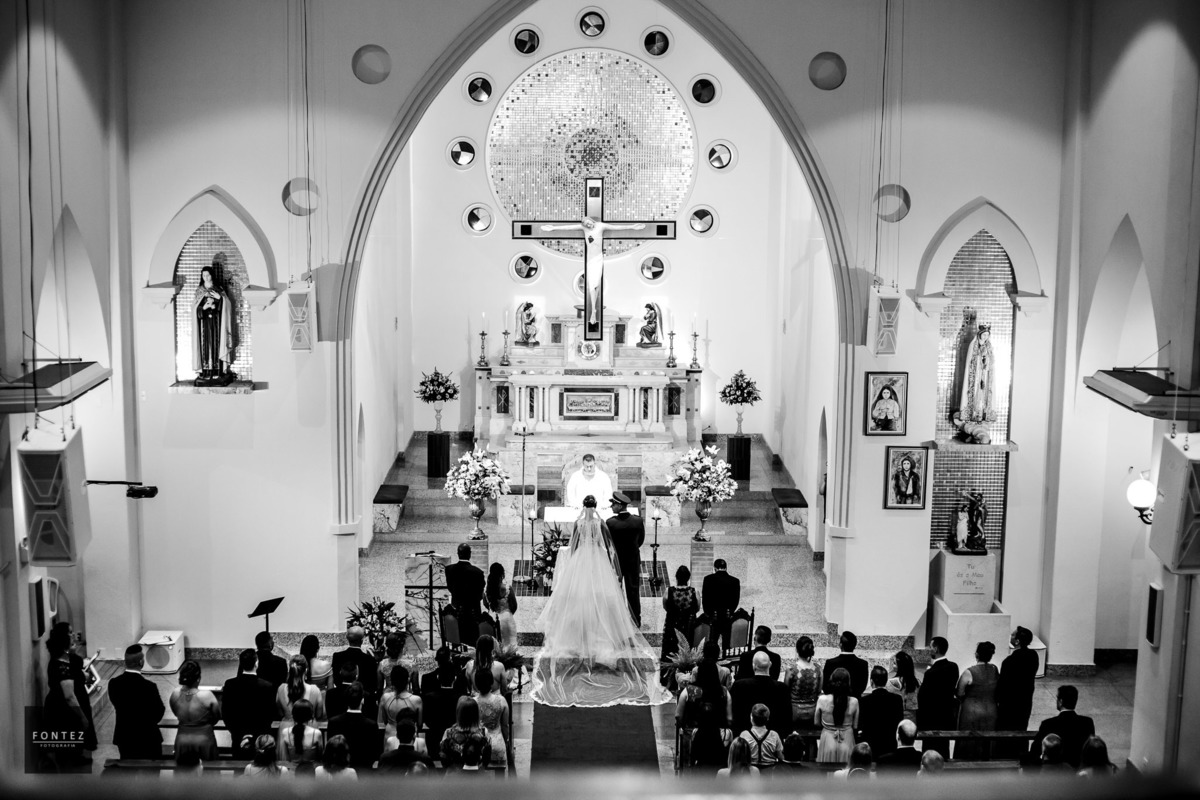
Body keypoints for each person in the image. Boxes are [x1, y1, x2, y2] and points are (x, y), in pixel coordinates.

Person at [530, 494, 669, 706]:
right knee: (602, 595)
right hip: (598, 558)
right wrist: (607, 559)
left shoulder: (578, 523)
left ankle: (580, 631)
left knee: (580, 594)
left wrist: (575, 561)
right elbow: (608, 544)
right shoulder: (603, 523)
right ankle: (609, 627)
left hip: (581, 559)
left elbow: (573, 546)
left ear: (583, 506)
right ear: (595, 506)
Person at [539, 217, 646, 327]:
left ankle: (594, 311)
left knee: (596, 284)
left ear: (592, 221)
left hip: (598, 258)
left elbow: (616, 227)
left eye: (589, 223)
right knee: (591, 285)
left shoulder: (601, 226)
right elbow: (568, 227)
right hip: (590, 259)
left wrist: (632, 226)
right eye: (586, 225)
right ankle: (593, 311)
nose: (588, 226)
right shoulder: (584, 229)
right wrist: (553, 228)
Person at [44, 623, 97, 757]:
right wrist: (82, 717)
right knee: (69, 749)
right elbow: (69, 696)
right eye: (70, 633)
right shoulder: (61, 666)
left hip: (73, 703)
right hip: (65, 710)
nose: (73, 635)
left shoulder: (68, 660)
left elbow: (76, 673)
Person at [107, 643, 165, 761]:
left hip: (125, 737)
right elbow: (159, 712)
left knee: (128, 768)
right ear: (141, 662)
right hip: (148, 737)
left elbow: (116, 703)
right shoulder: (149, 687)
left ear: (125, 662)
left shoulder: (114, 684)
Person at [676, 658, 733, 773]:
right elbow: (729, 718)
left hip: (693, 732)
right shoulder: (723, 691)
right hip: (718, 734)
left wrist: (683, 726)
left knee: (690, 766)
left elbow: (678, 715)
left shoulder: (690, 690)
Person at [221, 649, 276, 757]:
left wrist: (240, 734)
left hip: (238, 737)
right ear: (256, 664)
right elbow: (269, 714)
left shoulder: (230, 684)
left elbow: (226, 714)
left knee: (238, 765)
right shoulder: (267, 686)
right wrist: (254, 736)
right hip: (260, 739)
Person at [995, 626, 1039, 757]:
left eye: (1013, 635)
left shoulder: (1009, 661)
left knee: (1006, 730)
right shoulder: (1033, 656)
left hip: (1009, 703)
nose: (1011, 636)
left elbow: (1002, 685)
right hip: (1025, 700)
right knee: (1021, 727)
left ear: (1018, 641)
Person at [1027, 685, 1095, 768]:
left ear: (1060, 701)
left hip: (1055, 770)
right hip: (1079, 769)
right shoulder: (1087, 722)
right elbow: (1091, 749)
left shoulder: (1048, 724)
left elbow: (1035, 750)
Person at [605, 491, 646, 626]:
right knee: (633, 590)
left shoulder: (611, 523)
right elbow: (640, 540)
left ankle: (616, 621)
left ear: (619, 505)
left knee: (616, 590)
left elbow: (608, 543)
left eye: (613, 504)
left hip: (617, 561)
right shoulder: (638, 521)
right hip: (633, 560)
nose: (611, 507)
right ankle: (636, 620)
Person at [731, 651, 792, 738]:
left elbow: (734, 713)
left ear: (753, 666)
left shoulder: (739, 686)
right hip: (773, 736)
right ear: (770, 665)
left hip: (745, 736)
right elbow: (787, 718)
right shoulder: (782, 688)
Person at [191, 260, 234, 381]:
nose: (206, 277)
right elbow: (194, 308)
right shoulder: (200, 290)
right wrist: (203, 308)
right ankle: (205, 372)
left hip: (217, 323)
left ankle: (218, 371)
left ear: (212, 275)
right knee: (205, 346)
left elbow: (227, 305)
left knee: (216, 344)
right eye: (203, 275)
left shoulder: (218, 289)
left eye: (208, 275)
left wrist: (220, 299)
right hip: (203, 324)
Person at [955, 640, 999, 759]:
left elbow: (959, 692)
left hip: (971, 712)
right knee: (988, 742)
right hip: (991, 710)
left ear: (977, 654)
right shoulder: (994, 669)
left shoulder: (969, 672)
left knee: (969, 742)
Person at [419, 645, 469, 749]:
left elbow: (425, 707)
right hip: (453, 730)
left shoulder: (427, 679)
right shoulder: (460, 679)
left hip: (434, 728)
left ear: (436, 660)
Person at [169, 660, 220, 762]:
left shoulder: (175, 694)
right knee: (209, 769)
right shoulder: (207, 695)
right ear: (198, 678)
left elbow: (175, 712)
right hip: (204, 738)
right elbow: (216, 716)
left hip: (182, 738)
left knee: (183, 770)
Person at [917, 636, 959, 759]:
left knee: (930, 749)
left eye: (930, 646)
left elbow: (922, 697)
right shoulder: (953, 667)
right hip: (946, 715)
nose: (929, 649)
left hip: (931, 718)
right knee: (944, 748)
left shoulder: (931, 672)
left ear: (935, 649)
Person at [328, 682, 382, 770]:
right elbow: (375, 753)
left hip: (340, 770)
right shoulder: (371, 725)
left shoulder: (333, 722)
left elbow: (330, 750)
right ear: (362, 700)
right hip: (364, 771)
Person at [784, 636, 821, 757]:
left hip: (795, 710)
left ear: (797, 650)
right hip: (812, 710)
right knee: (811, 740)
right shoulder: (818, 669)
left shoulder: (791, 669)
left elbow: (786, 690)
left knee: (793, 738)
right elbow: (819, 690)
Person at [815, 667, 858, 764]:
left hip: (827, 740)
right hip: (847, 740)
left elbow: (816, 722)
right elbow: (855, 726)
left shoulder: (822, 700)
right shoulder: (854, 702)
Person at [446, 543, 486, 647]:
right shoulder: (478, 573)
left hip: (457, 611)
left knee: (457, 639)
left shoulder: (449, 570)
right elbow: (480, 595)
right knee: (473, 641)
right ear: (470, 554)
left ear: (458, 554)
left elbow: (450, 588)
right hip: (473, 613)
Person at [859, 666, 903, 759]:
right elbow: (900, 721)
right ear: (886, 681)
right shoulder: (897, 700)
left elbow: (861, 724)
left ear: (871, 682)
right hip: (889, 745)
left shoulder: (864, 701)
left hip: (869, 746)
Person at [474, 668, 512, 772]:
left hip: (478, 746)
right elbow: (505, 726)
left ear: (476, 684)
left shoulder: (472, 702)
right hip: (497, 744)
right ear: (491, 682)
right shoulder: (501, 700)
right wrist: (506, 741)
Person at [702, 559, 741, 655]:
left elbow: (705, 599)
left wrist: (708, 613)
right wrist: (730, 611)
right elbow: (736, 600)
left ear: (715, 568)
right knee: (726, 641)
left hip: (713, 616)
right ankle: (725, 657)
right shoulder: (735, 581)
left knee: (712, 641)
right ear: (726, 568)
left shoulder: (708, 579)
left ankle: (712, 657)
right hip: (727, 615)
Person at [440, 696, 491, 769]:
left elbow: (444, 759)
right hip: (476, 773)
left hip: (454, 773)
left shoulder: (449, 733)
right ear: (476, 713)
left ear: (459, 713)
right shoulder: (483, 733)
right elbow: (486, 759)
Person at [332, 626, 379, 706]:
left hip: (340, 699)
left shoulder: (338, 657)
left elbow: (336, 678)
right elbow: (373, 685)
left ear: (347, 639)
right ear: (362, 641)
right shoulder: (369, 660)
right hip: (364, 701)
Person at [662, 565, 700, 661]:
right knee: (687, 646)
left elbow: (665, 606)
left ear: (676, 577)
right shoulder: (694, 591)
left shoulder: (668, 591)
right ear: (688, 578)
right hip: (689, 625)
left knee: (671, 648)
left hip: (672, 624)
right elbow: (697, 608)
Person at [958, 323, 995, 424]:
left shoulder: (989, 346)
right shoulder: (974, 345)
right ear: (979, 334)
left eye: (987, 335)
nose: (985, 337)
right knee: (975, 392)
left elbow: (991, 360)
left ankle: (983, 413)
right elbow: (971, 360)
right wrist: (980, 358)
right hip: (975, 374)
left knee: (983, 393)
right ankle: (973, 413)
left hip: (985, 374)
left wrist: (987, 360)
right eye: (984, 334)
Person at [378, 664, 422, 738]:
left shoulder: (385, 697)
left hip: (390, 735)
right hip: (409, 737)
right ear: (408, 680)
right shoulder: (416, 700)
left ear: (392, 681)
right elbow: (419, 724)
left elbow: (382, 721)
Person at [278, 698, 323, 769]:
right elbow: (320, 756)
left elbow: (285, 757)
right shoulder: (316, 733)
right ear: (310, 715)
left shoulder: (285, 732)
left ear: (293, 715)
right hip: (311, 772)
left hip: (292, 771)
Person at [277, 653, 324, 723]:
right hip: (309, 728)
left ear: (290, 670)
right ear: (306, 670)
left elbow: (280, 713)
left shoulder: (281, 688)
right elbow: (319, 715)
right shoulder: (315, 690)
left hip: (286, 728)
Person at [822, 630, 869, 698]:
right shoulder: (863, 664)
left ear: (840, 645)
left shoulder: (830, 663)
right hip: (854, 701)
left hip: (834, 701)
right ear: (854, 645)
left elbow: (825, 687)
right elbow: (862, 687)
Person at [737, 703, 784, 770]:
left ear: (751, 718)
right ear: (767, 719)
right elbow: (780, 757)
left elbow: (739, 757)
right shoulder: (774, 734)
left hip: (750, 771)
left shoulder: (744, 734)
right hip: (770, 772)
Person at [486, 562, 519, 647]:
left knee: (495, 645)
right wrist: (508, 612)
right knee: (509, 645)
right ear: (502, 574)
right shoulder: (507, 588)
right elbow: (514, 606)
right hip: (506, 619)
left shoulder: (487, 590)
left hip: (492, 618)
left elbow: (486, 604)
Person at [885, 650, 920, 723]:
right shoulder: (917, 682)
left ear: (900, 666)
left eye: (894, 663)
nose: (893, 665)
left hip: (895, 718)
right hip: (912, 719)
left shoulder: (890, 683)